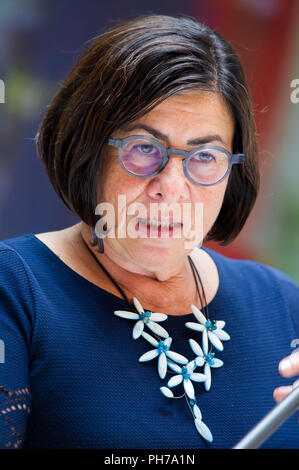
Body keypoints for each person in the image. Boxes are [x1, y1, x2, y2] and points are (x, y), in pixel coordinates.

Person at [0, 14, 298, 449]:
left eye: (206, 156)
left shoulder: (283, 303)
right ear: (88, 150)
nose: (172, 190)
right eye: (144, 148)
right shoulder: (15, 289)